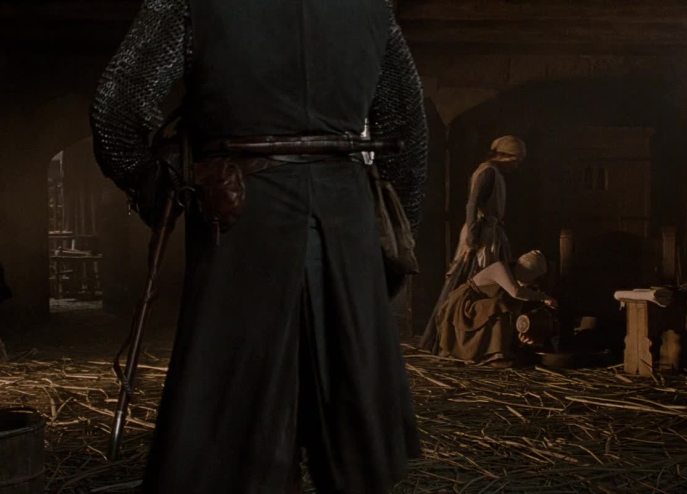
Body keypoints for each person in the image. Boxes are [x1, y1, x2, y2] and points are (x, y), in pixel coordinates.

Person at [90, 1, 427, 492]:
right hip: (343, 218)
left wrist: (168, 185)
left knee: (235, 415)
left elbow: (116, 111)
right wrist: (389, 240)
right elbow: (407, 128)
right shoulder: (369, 5)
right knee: (347, 410)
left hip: (242, 214)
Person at [419, 135, 526, 353]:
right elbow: (473, 204)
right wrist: (473, 237)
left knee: (490, 285)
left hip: (490, 233)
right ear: (506, 157)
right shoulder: (488, 172)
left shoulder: (495, 174)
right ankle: (444, 340)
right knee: (467, 285)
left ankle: (483, 342)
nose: (516, 166)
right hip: (481, 235)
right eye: (516, 160)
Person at [435, 250, 556, 367]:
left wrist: (520, 334)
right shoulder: (500, 268)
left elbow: (514, 313)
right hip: (466, 304)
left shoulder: (517, 284)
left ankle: (495, 354)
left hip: (482, 308)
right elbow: (516, 292)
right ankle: (495, 355)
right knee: (497, 306)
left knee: (498, 306)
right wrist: (543, 297)